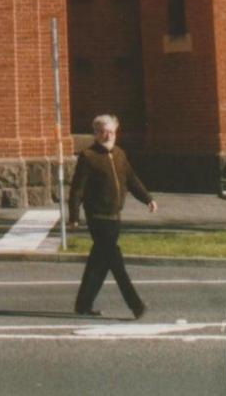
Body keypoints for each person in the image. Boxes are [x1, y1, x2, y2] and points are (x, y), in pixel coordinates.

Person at [68, 113, 159, 319]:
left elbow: (132, 180)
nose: (106, 135)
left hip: (114, 215)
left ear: (116, 132)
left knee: (98, 263)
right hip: (98, 217)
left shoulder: (119, 154)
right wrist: (74, 215)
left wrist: (147, 198)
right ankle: (136, 305)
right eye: (101, 131)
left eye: (110, 131)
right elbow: (77, 190)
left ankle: (83, 304)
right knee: (116, 263)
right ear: (95, 133)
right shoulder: (88, 156)